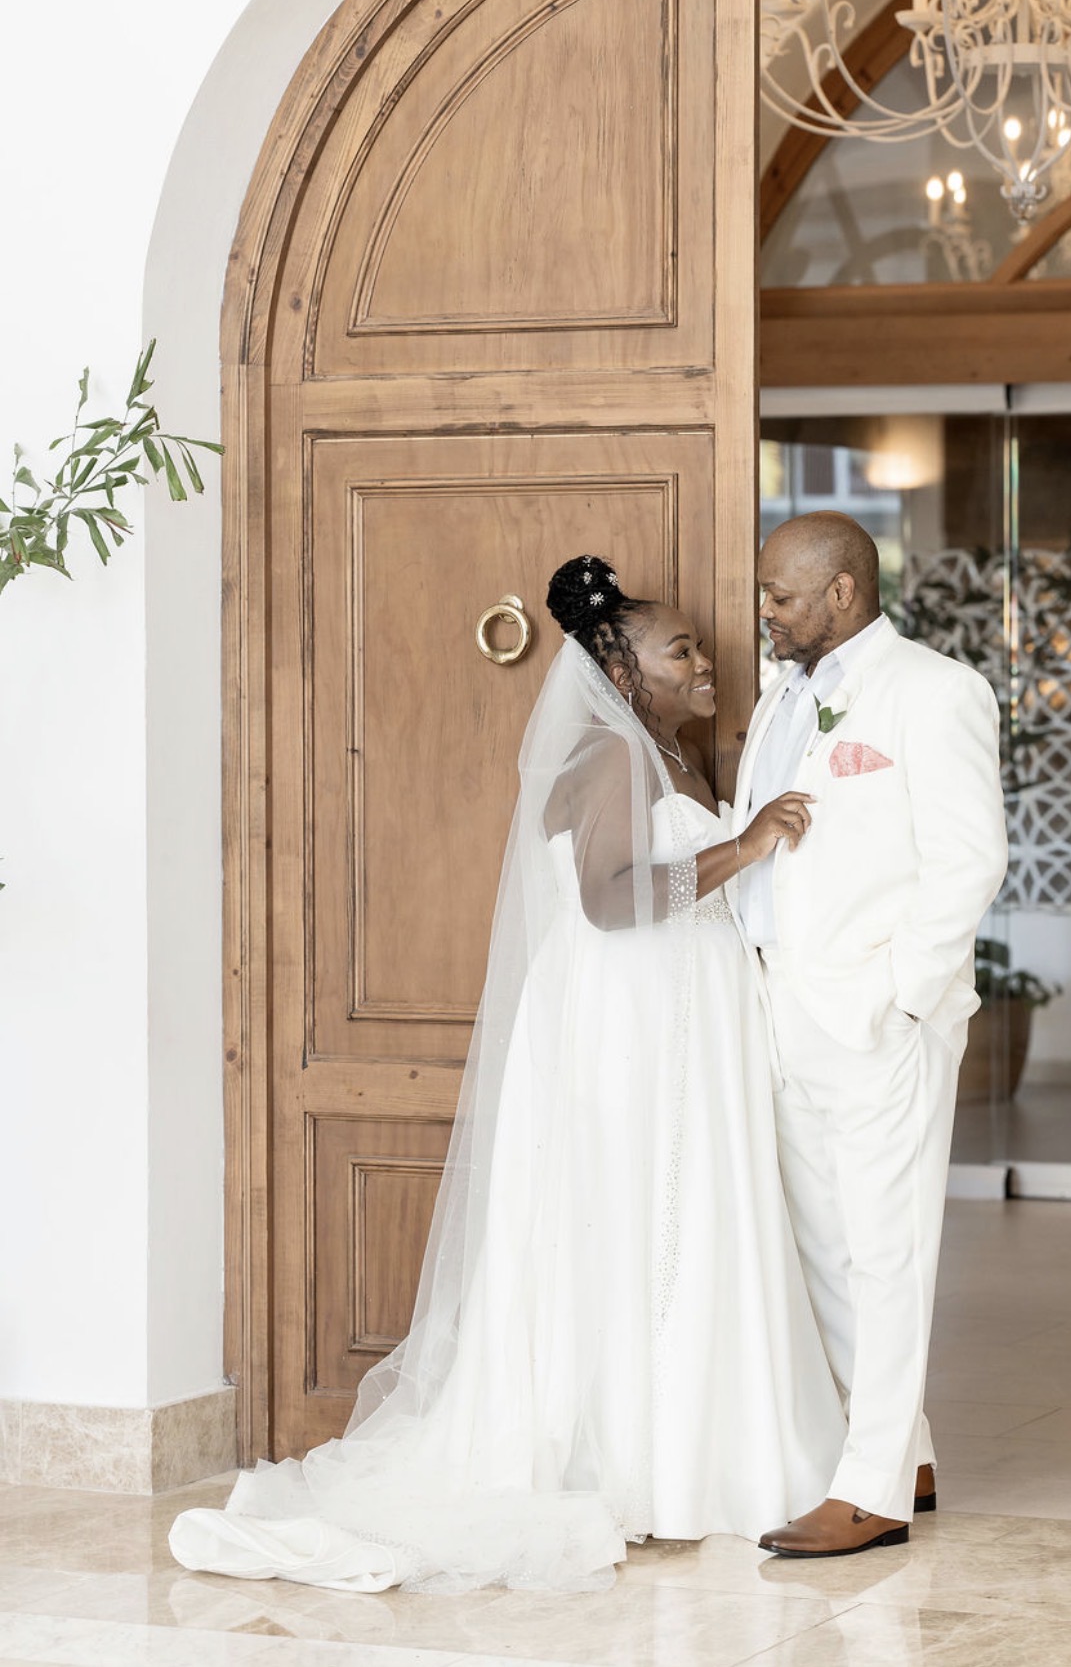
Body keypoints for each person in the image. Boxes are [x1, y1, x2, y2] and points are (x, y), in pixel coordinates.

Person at [170, 554, 845, 1595]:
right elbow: (614, 903)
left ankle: (676, 1457)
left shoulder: (667, 754)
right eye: (684, 651)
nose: (708, 660)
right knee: (633, 1223)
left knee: (676, 1223)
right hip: (625, 1033)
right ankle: (627, 1465)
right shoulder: (613, 763)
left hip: (674, 1021)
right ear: (625, 678)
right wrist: (745, 847)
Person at [734, 512, 1008, 1558]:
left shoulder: (935, 691)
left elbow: (967, 860)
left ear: (842, 592)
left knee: (888, 1252)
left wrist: (900, 996)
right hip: (780, 1007)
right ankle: (908, 1448)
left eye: (781, 594)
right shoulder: (779, 698)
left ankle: (874, 1489)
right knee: (827, 1250)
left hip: (876, 1016)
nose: (765, 610)